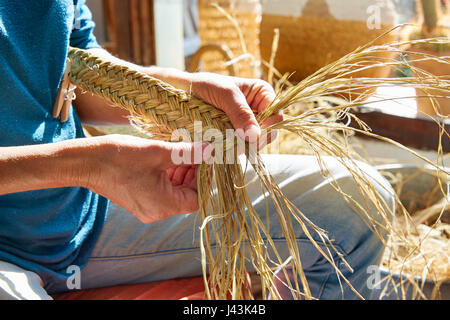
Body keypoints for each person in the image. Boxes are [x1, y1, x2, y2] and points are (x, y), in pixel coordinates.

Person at [0, 0, 394, 300]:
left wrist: (191, 93)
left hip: (79, 213)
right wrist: (89, 165)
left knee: (359, 203)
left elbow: (75, 70)